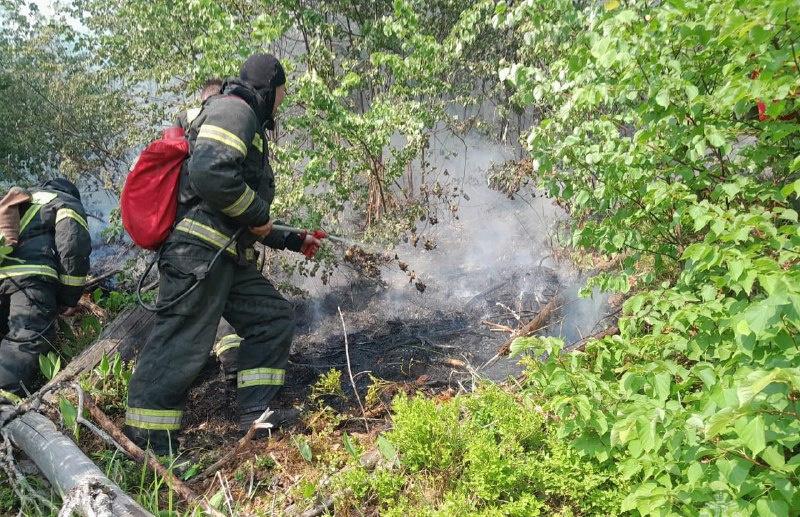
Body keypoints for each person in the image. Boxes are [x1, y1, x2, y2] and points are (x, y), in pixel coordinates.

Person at [124, 53, 322, 455]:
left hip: (223, 255)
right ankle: (147, 444)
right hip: (199, 256)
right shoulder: (236, 109)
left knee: (271, 318)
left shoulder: (242, 117)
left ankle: (256, 416)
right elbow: (212, 176)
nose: (281, 102)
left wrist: (290, 239)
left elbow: (233, 208)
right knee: (181, 342)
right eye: (282, 93)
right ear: (269, 88)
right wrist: (258, 213)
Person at [0, 178, 91, 398]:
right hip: (31, 277)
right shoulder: (66, 201)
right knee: (27, 339)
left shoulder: (27, 199)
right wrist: (68, 299)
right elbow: (72, 248)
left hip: (4, 273)